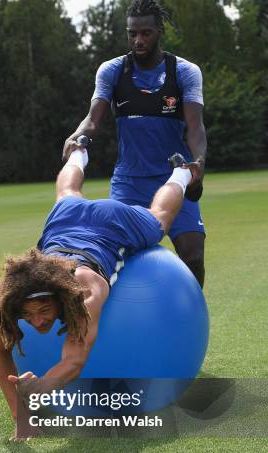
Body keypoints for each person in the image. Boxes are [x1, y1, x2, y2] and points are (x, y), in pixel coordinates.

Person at [0, 142, 197, 439]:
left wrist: (37, 391)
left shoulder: (87, 292)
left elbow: (74, 361)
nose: (37, 323)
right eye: (29, 314)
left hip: (113, 224)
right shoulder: (14, 295)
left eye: (45, 311)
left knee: (159, 218)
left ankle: (181, 172)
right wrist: (21, 416)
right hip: (66, 222)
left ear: (60, 296)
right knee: (66, 195)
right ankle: (79, 151)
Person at [63, 0, 207, 287]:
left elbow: (195, 126)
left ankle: (191, 322)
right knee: (116, 259)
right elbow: (93, 119)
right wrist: (77, 137)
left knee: (193, 256)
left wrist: (198, 163)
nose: (138, 40)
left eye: (146, 33)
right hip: (128, 183)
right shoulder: (112, 71)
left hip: (174, 178)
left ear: (159, 31)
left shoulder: (185, 71)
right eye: (132, 34)